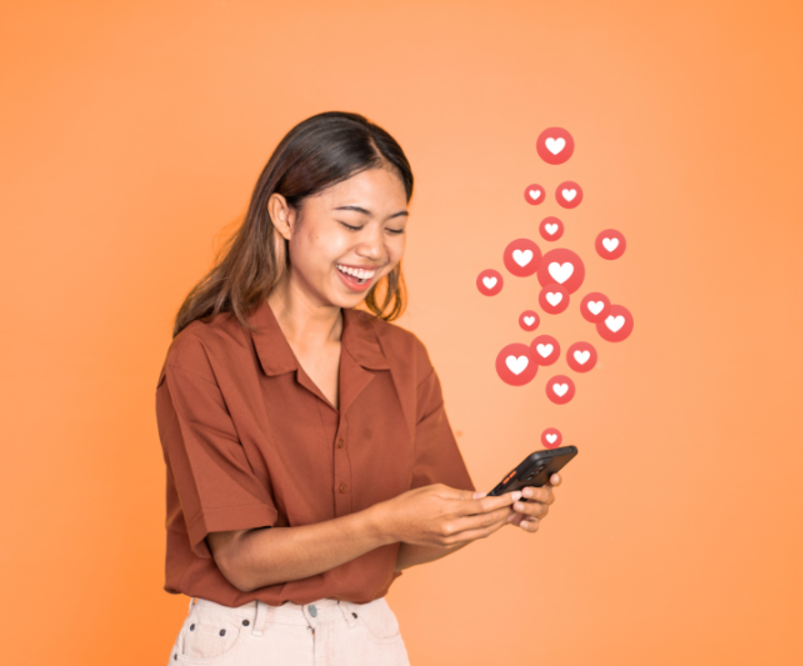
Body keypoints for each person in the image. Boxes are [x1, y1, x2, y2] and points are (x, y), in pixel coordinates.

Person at [155, 111, 563, 665]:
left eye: (394, 227)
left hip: (367, 640)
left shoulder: (404, 358)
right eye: (352, 223)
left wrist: (483, 517)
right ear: (283, 215)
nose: (376, 249)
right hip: (246, 643)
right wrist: (385, 520)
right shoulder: (204, 357)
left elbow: (399, 549)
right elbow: (242, 561)